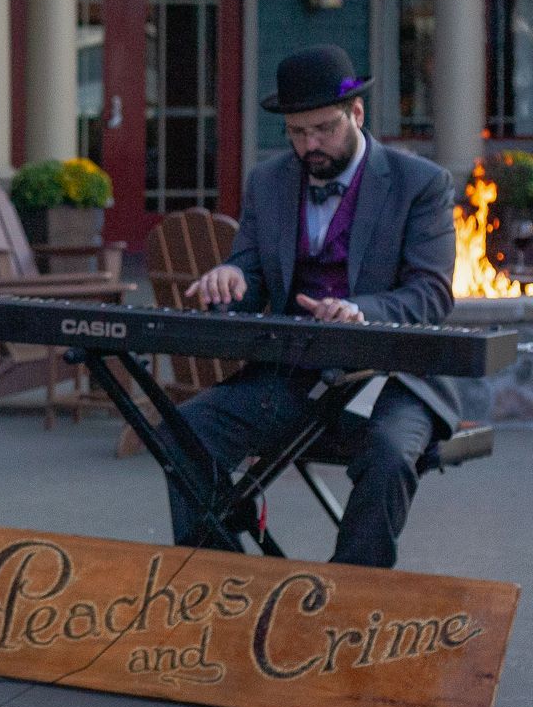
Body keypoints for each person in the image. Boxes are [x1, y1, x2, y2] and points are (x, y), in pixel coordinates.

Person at [171, 44, 457, 568]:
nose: (310, 145)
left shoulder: (420, 184)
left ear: (357, 113)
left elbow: (431, 295)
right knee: (186, 430)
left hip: (394, 378)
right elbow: (252, 274)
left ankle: (349, 593)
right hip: (295, 376)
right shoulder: (269, 181)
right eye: (297, 133)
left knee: (390, 456)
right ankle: (217, 580)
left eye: (324, 129)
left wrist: (360, 311)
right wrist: (232, 277)